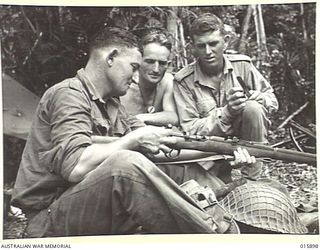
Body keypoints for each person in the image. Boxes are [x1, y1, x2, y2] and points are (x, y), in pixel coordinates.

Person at [11, 26, 254, 237]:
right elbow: (75, 167)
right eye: (133, 67)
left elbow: (166, 147)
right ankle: (218, 238)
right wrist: (135, 138)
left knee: (178, 169)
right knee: (126, 164)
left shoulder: (113, 104)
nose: (137, 77)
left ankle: (235, 208)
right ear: (111, 57)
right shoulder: (68, 95)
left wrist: (223, 151)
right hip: (49, 217)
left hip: (90, 204)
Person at [173, 13, 279, 180]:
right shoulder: (183, 80)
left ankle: (253, 180)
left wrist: (261, 98)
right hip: (208, 155)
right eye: (201, 46)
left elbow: (272, 101)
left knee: (253, 108)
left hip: (249, 150)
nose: (208, 52)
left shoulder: (243, 66)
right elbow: (190, 129)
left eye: (213, 43)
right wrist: (227, 112)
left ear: (226, 41)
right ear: (192, 47)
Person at [121, 28, 178, 126]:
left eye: (162, 63)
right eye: (150, 62)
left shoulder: (167, 81)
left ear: (168, 64)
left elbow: (173, 117)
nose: (156, 69)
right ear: (138, 60)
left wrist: (141, 117)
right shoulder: (124, 83)